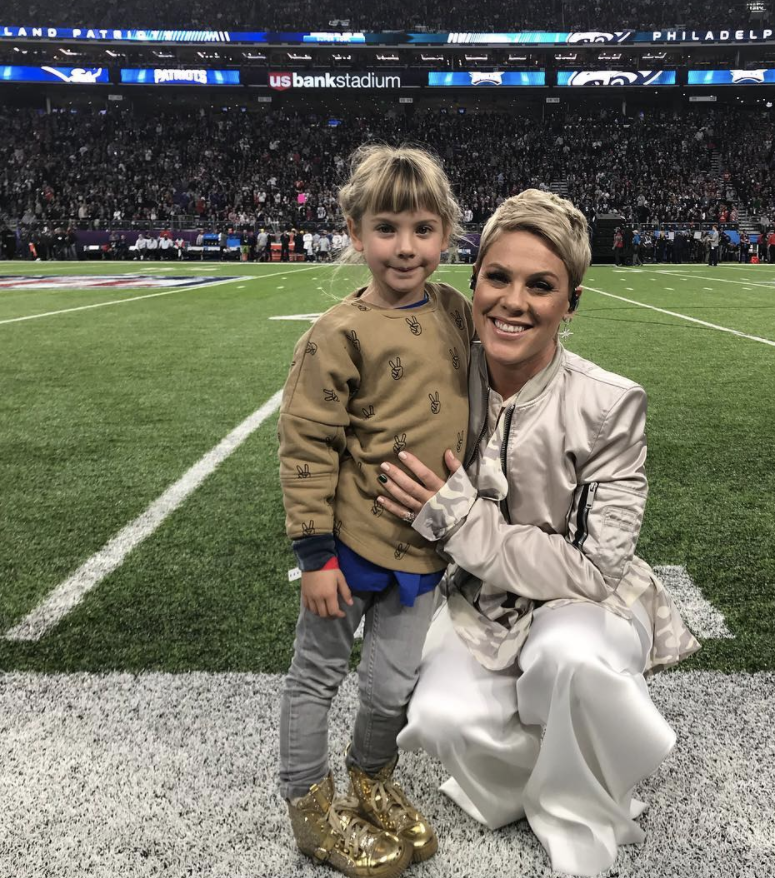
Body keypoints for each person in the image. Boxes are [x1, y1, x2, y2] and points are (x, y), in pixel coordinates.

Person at [375, 189, 701, 878]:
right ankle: (539, 771)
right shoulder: (442, 381)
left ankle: (581, 822)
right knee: (436, 718)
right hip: (483, 604)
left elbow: (593, 572)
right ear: (474, 283)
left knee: (568, 659)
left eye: (541, 286)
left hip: (587, 607)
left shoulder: (611, 403)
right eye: (498, 277)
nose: (513, 301)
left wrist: (462, 520)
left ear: (571, 303)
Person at [277, 144, 474, 878]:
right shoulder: (338, 333)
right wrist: (315, 557)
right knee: (317, 676)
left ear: (447, 236)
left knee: (393, 685)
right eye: (387, 228)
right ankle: (309, 805)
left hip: (422, 551)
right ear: (355, 234)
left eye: (424, 229)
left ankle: (369, 777)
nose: (406, 247)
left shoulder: (455, 310)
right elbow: (306, 444)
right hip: (350, 546)